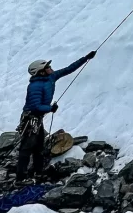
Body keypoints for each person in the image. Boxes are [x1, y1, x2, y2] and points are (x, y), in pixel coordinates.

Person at [15, 51, 96, 181]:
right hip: (30, 120)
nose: (50, 68)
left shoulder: (50, 77)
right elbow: (36, 106)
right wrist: (50, 108)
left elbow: (68, 69)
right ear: (40, 71)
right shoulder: (34, 86)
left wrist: (86, 58)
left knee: (38, 146)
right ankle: (20, 179)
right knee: (27, 148)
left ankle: (38, 172)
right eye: (47, 67)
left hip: (37, 119)